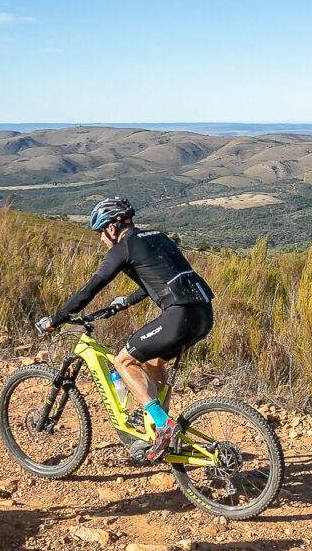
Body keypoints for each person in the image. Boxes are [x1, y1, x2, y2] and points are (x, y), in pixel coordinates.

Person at [36, 196, 214, 461]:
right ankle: (159, 428)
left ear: (111, 228)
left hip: (179, 316)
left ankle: (163, 425)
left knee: (123, 361)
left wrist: (57, 317)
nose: (100, 239)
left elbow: (91, 288)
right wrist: (124, 302)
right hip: (204, 313)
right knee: (154, 361)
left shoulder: (123, 248)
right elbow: (157, 277)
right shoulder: (158, 237)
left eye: (100, 233)